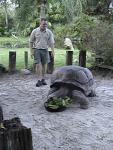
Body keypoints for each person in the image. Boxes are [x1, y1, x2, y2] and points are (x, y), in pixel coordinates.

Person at [29, 18, 55, 87]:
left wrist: (53, 51)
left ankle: (43, 79)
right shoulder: (35, 31)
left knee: (44, 65)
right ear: (40, 23)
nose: (45, 26)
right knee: (38, 65)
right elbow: (31, 42)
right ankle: (39, 80)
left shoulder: (49, 32)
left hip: (45, 50)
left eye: (46, 24)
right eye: (43, 24)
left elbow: (52, 43)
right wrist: (31, 51)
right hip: (37, 50)